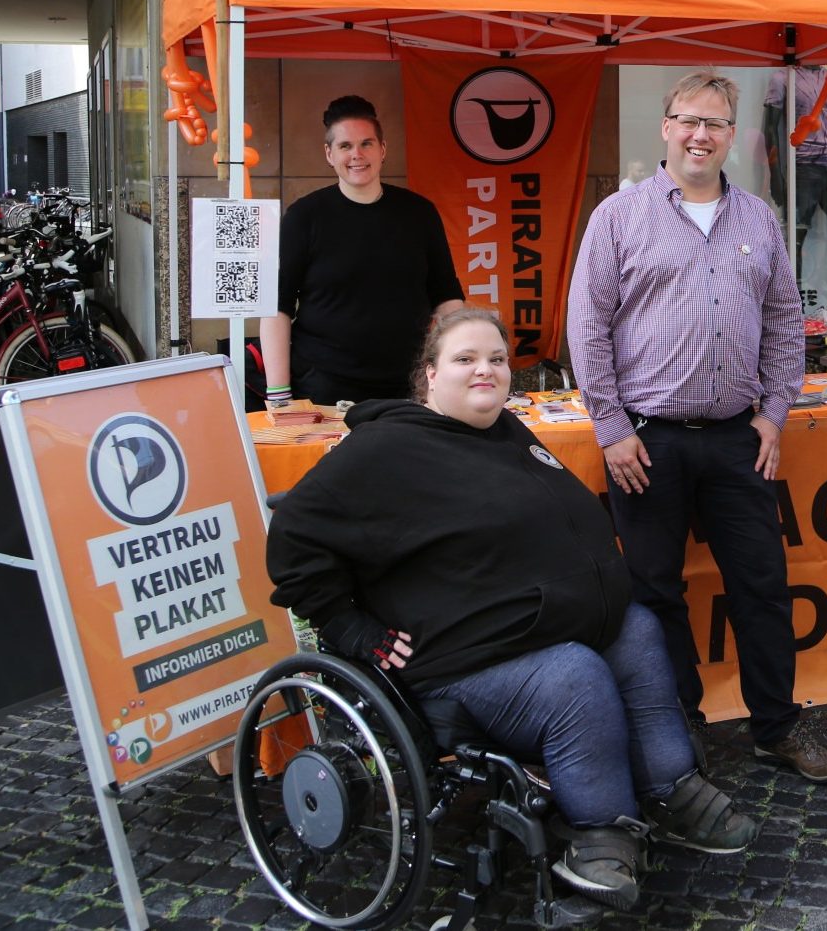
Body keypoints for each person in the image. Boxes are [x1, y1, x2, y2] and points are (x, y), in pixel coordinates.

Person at [266, 309, 758, 912]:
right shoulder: (385, 448)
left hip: (538, 632)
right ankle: (597, 830)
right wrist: (350, 629)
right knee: (574, 675)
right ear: (428, 374)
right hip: (461, 661)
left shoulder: (503, 431)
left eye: (496, 359)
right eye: (465, 359)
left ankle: (670, 786)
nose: (486, 370)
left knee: (636, 629)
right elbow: (291, 539)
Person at [566, 71, 827, 784]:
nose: (700, 134)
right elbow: (587, 325)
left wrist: (774, 411)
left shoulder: (756, 218)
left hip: (734, 438)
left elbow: (784, 322)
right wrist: (610, 425)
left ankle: (775, 728)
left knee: (761, 583)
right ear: (665, 127)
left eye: (715, 124)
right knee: (655, 590)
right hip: (646, 441)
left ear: (731, 136)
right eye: (688, 120)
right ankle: (678, 725)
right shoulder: (619, 216)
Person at [262, 95, 463, 406]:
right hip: (325, 387)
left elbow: (447, 298)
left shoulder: (420, 213)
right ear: (329, 154)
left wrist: (462, 367)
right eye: (345, 146)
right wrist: (278, 394)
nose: (357, 154)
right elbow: (277, 307)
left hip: (409, 385)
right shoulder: (304, 216)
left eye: (366, 144)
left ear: (382, 149)